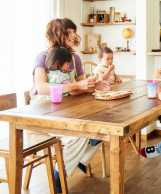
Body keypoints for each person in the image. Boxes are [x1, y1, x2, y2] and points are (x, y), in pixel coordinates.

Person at [31, 18, 110, 193]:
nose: (74, 35)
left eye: (74, 31)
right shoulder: (43, 57)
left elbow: (81, 86)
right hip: (41, 113)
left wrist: (92, 86)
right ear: (56, 35)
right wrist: (76, 85)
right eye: (69, 31)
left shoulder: (75, 58)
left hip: (67, 110)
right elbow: (42, 87)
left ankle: (80, 159)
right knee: (79, 134)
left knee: (103, 126)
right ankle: (60, 173)